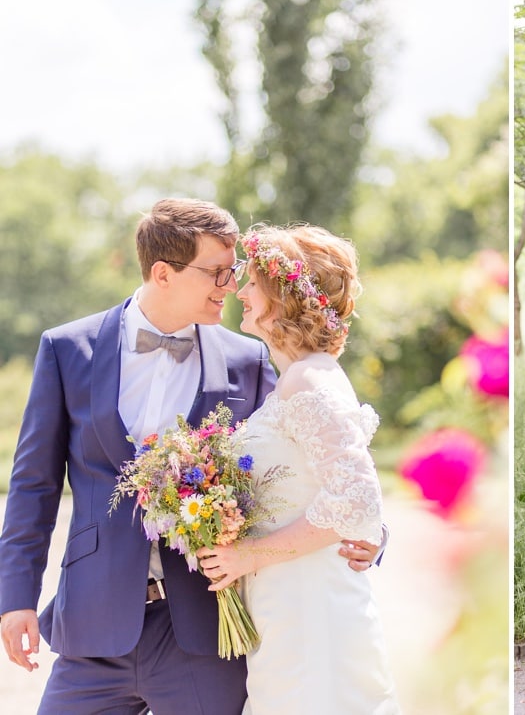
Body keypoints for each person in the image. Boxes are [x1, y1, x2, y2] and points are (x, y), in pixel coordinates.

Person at [0, 199, 379, 714]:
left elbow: (311, 457)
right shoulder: (68, 350)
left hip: (204, 628)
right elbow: (33, 487)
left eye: (235, 272)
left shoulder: (250, 360)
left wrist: (370, 534)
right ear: (164, 273)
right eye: (218, 272)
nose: (231, 285)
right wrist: (15, 597)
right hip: (92, 625)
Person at [196, 224, 399, 713]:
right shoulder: (296, 377)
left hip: (312, 607)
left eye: (252, 281)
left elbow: (355, 498)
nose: (240, 291)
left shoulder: (309, 379)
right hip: (287, 603)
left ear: (283, 293)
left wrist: (247, 557)